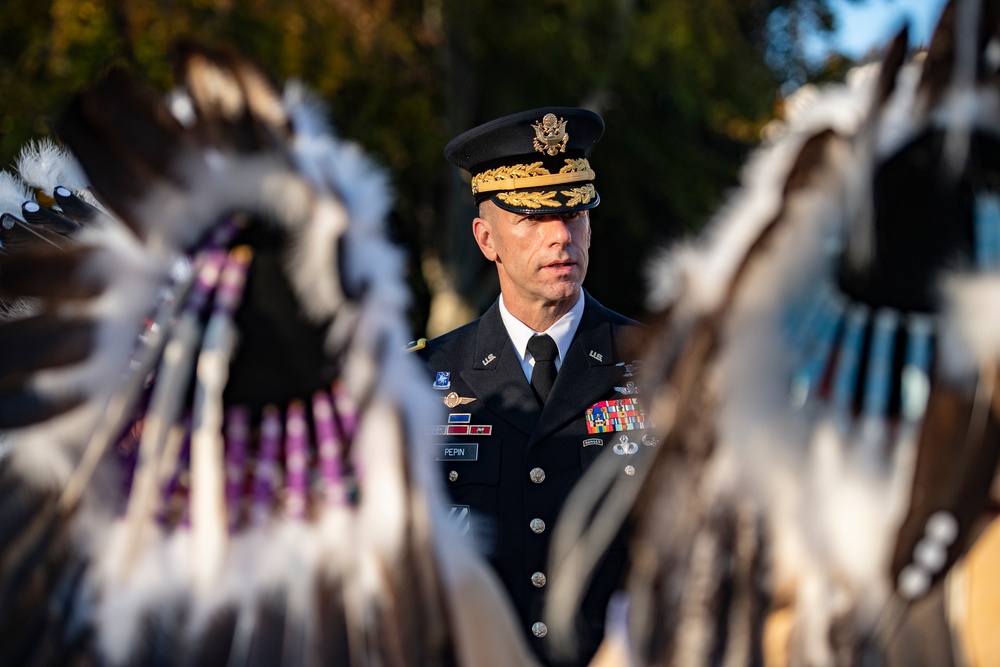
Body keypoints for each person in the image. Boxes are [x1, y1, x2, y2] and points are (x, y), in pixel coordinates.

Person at [417, 107, 655, 666]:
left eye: (574, 214)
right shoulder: (423, 380)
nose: (560, 236)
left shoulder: (660, 366)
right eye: (531, 218)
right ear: (486, 238)